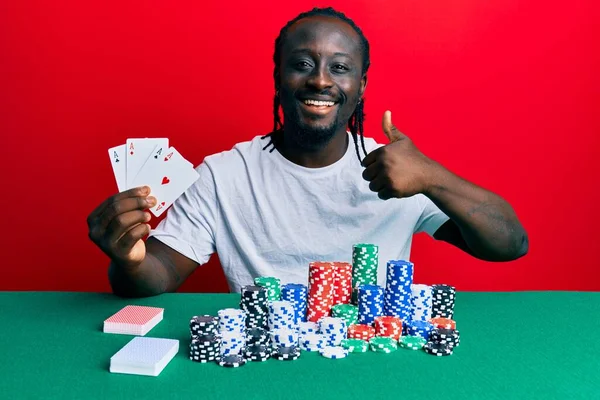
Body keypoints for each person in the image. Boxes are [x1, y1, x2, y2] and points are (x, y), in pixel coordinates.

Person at [87, 7, 528, 298]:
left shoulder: (401, 173)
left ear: (362, 87)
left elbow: (509, 245)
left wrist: (433, 176)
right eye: (302, 64)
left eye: (340, 68)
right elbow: (156, 274)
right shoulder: (224, 175)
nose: (320, 81)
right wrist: (128, 258)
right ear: (278, 78)